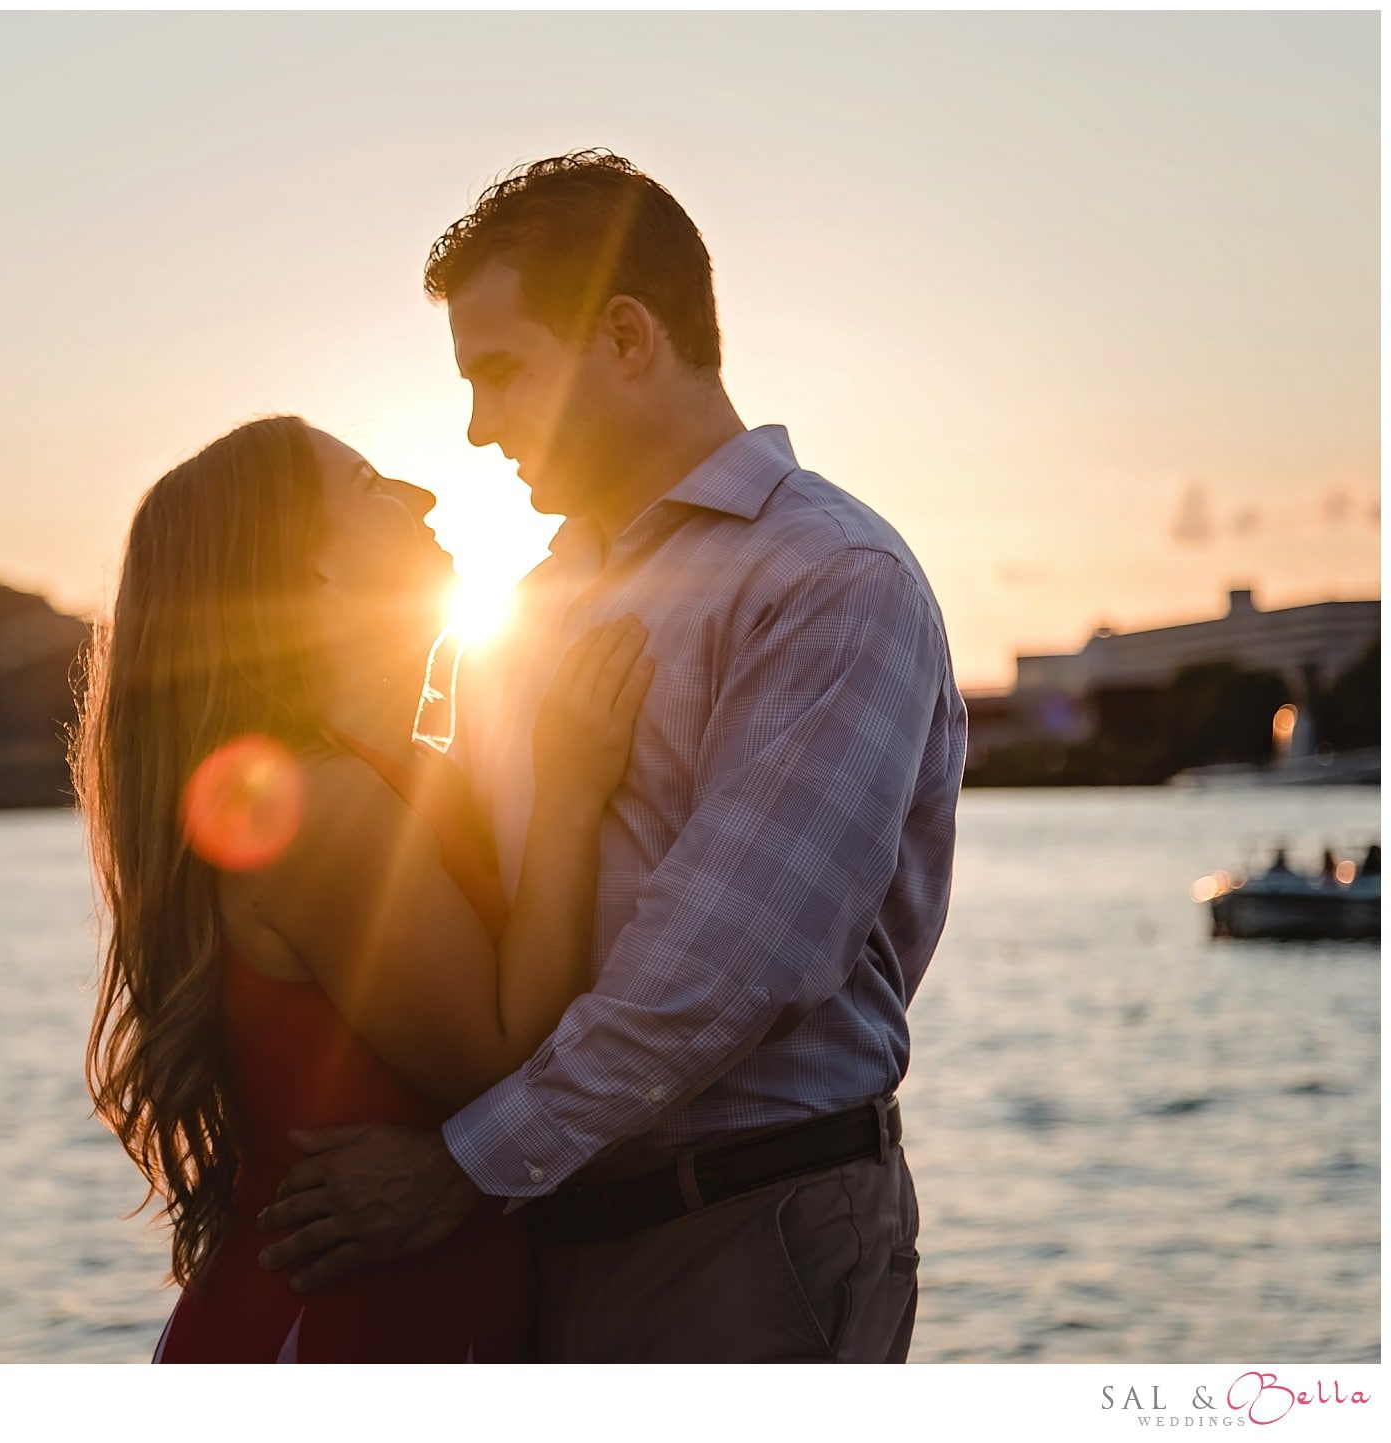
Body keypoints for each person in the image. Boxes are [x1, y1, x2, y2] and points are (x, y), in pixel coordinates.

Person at [255, 151, 969, 1362]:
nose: (476, 430)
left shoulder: (828, 581)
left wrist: (455, 1172)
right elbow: (446, 891)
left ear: (626, 338)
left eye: (500, 374)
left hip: (738, 1231)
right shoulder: (531, 604)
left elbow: (725, 967)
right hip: (544, 1233)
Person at [71, 414, 655, 1361]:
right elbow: (501, 1055)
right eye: (376, 489)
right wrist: (570, 797)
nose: (422, 496)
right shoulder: (321, 805)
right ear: (313, 575)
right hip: (342, 1328)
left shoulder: (381, 776)